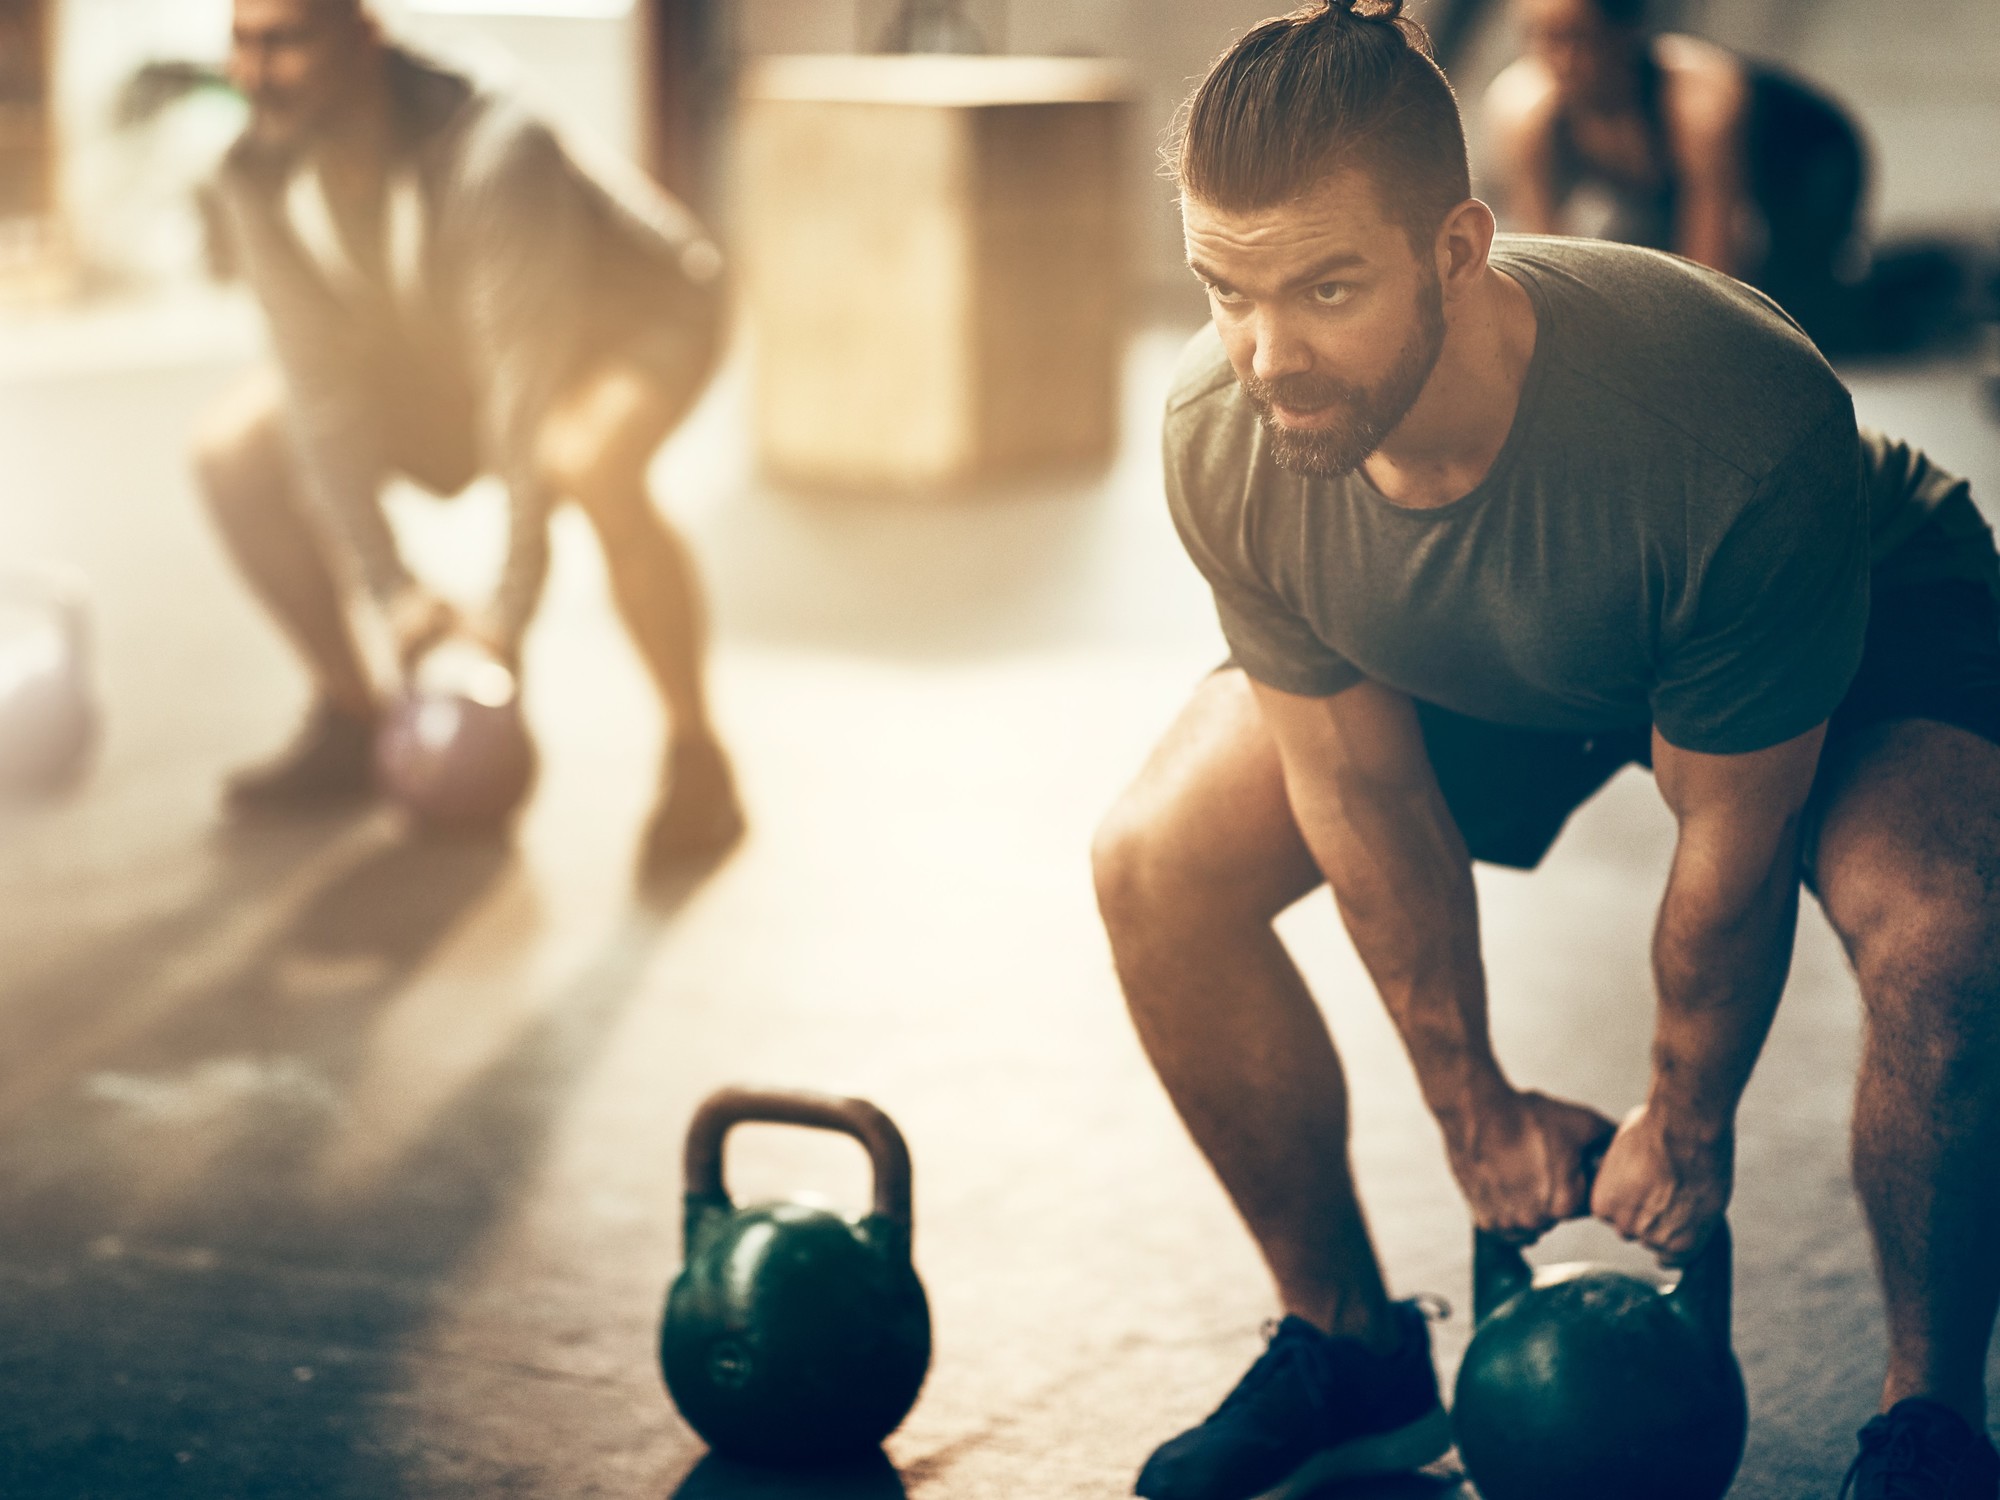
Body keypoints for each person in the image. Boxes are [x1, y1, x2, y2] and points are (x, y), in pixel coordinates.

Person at [1092, 3, 2000, 1497]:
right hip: (1490, 634)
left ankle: (1932, 1422)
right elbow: (1355, 784)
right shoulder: (1231, 429)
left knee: (1955, 933)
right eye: (1224, 291)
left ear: (1458, 250)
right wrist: (1476, 1117)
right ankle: (1352, 1348)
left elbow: (1732, 838)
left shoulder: (1728, 427)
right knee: (1152, 864)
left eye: (1324, 288)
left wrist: (1687, 1121)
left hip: (1830, 594)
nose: (1268, 356)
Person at [196, 0, 740, 869]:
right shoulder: (250, 172)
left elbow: (518, 395)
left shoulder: (495, 147)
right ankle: (354, 719)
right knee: (235, 450)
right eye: (244, 42)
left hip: (636, 321)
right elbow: (318, 392)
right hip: (439, 335)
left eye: (288, 41)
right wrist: (396, 597)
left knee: (586, 459)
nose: (259, 74)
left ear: (362, 38)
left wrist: (501, 631)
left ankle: (697, 757)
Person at [1480, 0, 1954, 354]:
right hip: (1672, 186)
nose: (1559, 60)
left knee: (1793, 318)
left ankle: (1937, 270)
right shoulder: (1525, 112)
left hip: (1812, 161)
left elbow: (1712, 277)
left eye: (1578, 39)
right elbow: (1550, 270)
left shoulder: (1699, 104)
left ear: (1625, 34)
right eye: (1540, 37)